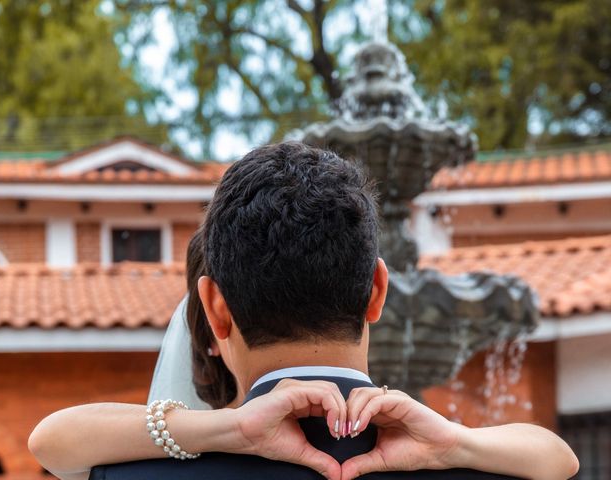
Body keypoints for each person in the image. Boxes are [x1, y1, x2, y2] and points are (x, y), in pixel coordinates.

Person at [29, 142, 578, 480]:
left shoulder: (139, 474)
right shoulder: (487, 470)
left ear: (215, 311)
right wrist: (455, 442)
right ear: (377, 291)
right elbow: (561, 461)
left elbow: (52, 441)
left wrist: (224, 430)